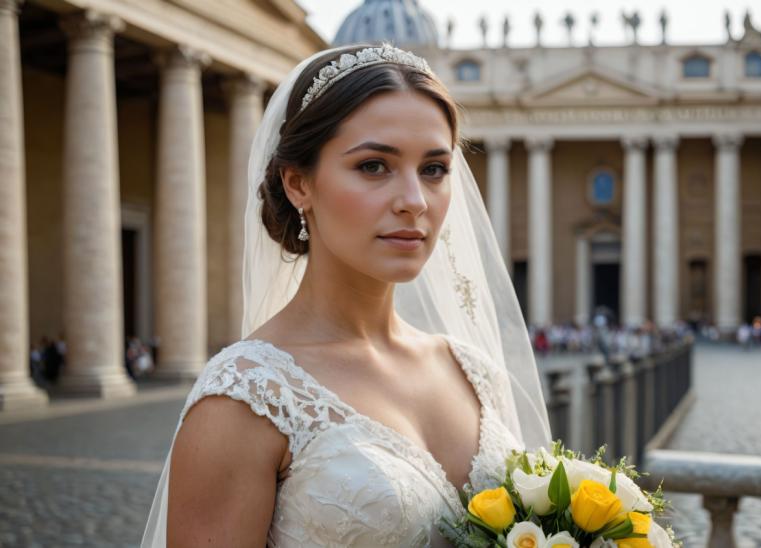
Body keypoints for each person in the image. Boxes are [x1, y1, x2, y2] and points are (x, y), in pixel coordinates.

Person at [142, 44, 551, 547]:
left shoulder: (472, 370)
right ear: (298, 184)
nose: (414, 202)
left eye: (434, 169)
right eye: (374, 166)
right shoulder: (246, 400)